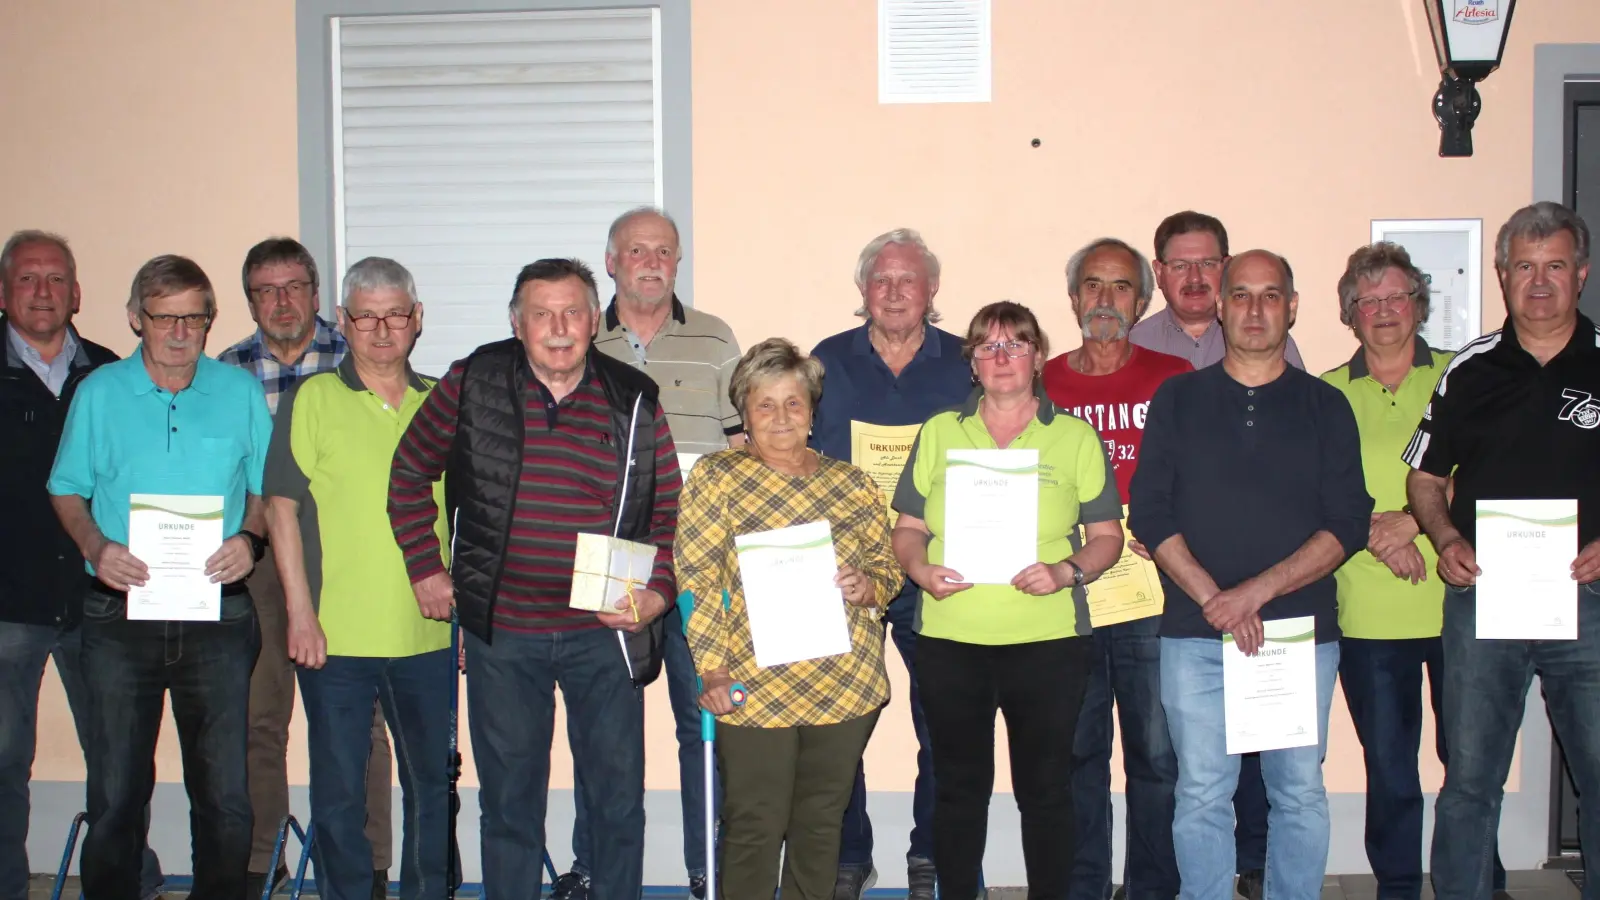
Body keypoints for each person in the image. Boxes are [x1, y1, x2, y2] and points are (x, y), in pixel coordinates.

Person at [387, 257, 680, 900]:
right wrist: (426, 569)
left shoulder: (634, 399)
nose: (557, 326)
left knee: (616, 803)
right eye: (541, 313)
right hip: (504, 634)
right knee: (510, 803)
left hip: (602, 635)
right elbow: (409, 474)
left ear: (592, 321)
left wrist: (657, 593)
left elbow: (667, 513)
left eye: (572, 311)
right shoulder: (473, 381)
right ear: (517, 323)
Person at [1129, 249, 1372, 900]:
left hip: (1294, 638)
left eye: (1271, 296)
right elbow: (1148, 514)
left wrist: (1254, 594)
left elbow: (1349, 522)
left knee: (1297, 791)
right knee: (1202, 791)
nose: (1256, 310)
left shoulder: (1326, 406)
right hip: (1195, 632)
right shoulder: (1178, 399)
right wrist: (1214, 600)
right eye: (1241, 295)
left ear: (1292, 306)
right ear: (1221, 305)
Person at [47, 255, 274, 900]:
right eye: (165, 317)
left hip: (220, 614)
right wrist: (97, 543)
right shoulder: (99, 393)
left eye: (195, 318)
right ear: (134, 319)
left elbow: (265, 490)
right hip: (118, 617)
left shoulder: (237, 392)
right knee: (116, 794)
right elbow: (65, 490)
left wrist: (249, 538)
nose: (181, 332)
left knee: (225, 795)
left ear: (210, 321)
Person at [892, 301, 1125, 900]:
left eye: (1015, 345)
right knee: (959, 789)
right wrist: (918, 569)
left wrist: (1065, 571)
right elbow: (907, 527)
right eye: (987, 347)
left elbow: (1106, 538)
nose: (1001, 358)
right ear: (971, 361)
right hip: (951, 641)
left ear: (1038, 357)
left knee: (1046, 790)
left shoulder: (1074, 437)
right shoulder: (940, 430)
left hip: (1047, 645)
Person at [1405, 202, 1600, 900]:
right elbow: (1424, 479)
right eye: (1524, 266)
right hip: (1485, 596)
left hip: (1589, 602)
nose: (1539, 281)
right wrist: (1445, 535)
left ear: (1580, 274)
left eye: (1554, 266)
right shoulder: (1469, 369)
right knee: (1470, 781)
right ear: (1502, 274)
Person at [676, 337, 900, 900]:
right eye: (765, 404)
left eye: (793, 403)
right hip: (753, 684)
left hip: (844, 685)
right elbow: (697, 580)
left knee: (821, 825)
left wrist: (868, 585)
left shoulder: (852, 483)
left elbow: (888, 567)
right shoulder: (716, 478)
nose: (780, 417)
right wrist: (712, 671)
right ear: (744, 414)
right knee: (754, 824)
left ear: (811, 409)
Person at [1322, 243, 1505, 900]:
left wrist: (1412, 519)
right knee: (1391, 768)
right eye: (1367, 301)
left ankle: (1482, 880)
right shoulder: (1327, 394)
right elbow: (1315, 492)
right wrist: (1375, 534)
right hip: (1368, 612)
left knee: (1470, 763)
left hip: (1464, 599)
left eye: (1396, 296)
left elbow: (1493, 470)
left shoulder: (1465, 377)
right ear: (1350, 314)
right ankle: (1397, 886)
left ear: (1420, 304)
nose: (1383, 311)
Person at [264, 258, 450, 900]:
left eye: (394, 313)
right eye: (365, 315)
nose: (380, 329)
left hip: (425, 636)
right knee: (340, 793)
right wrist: (299, 613)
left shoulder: (441, 404)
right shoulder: (311, 399)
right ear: (343, 322)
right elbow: (279, 510)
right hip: (334, 637)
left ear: (416, 320)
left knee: (431, 786)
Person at [570, 206, 743, 900]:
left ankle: (710, 870)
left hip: (698, 563)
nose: (650, 262)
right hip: (609, 559)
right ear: (610, 261)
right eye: (635, 250)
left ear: (678, 262)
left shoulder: (714, 338)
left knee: (702, 724)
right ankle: (596, 869)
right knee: (603, 728)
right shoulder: (580, 339)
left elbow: (741, 446)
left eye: (663, 251)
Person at [217, 237, 393, 899]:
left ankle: (369, 866)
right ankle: (263, 859)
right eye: (265, 289)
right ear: (251, 300)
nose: (281, 301)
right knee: (259, 714)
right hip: (259, 561)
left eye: (293, 286)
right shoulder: (228, 371)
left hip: (348, 557)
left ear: (318, 296)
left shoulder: (360, 356)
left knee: (361, 720)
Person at [1131, 211, 1301, 893]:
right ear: (1161, 273)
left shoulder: (1287, 363)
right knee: (1177, 761)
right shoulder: (1143, 356)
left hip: (1274, 593)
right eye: (1182, 264)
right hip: (1171, 584)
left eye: (1210, 265)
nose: (1197, 278)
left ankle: (1256, 867)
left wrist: (1257, 588)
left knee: (1273, 757)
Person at [0, 231, 164, 900]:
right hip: (7, 605)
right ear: (5, 291)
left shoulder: (108, 374)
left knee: (119, 760)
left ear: (77, 293)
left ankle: (128, 882)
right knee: (5, 763)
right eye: (27, 278)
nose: (43, 291)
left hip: (100, 598)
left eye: (55, 279)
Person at [810, 229, 971, 900]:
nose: (896, 290)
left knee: (943, 718)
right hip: (845, 572)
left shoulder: (966, 361)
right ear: (862, 291)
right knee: (837, 717)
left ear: (933, 290)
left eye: (909, 279)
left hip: (938, 566)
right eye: (882, 279)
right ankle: (849, 854)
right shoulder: (826, 360)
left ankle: (930, 851)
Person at [1041, 238, 1191, 900]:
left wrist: (1169, 535)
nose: (1106, 300)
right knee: (1075, 754)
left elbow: (1202, 475)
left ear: (1143, 300)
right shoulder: (1041, 381)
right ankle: (1083, 889)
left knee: (1157, 757)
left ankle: (1152, 888)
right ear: (1074, 299)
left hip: (1151, 593)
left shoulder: (1176, 380)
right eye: (1093, 286)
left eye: (1121, 287)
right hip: (1065, 595)